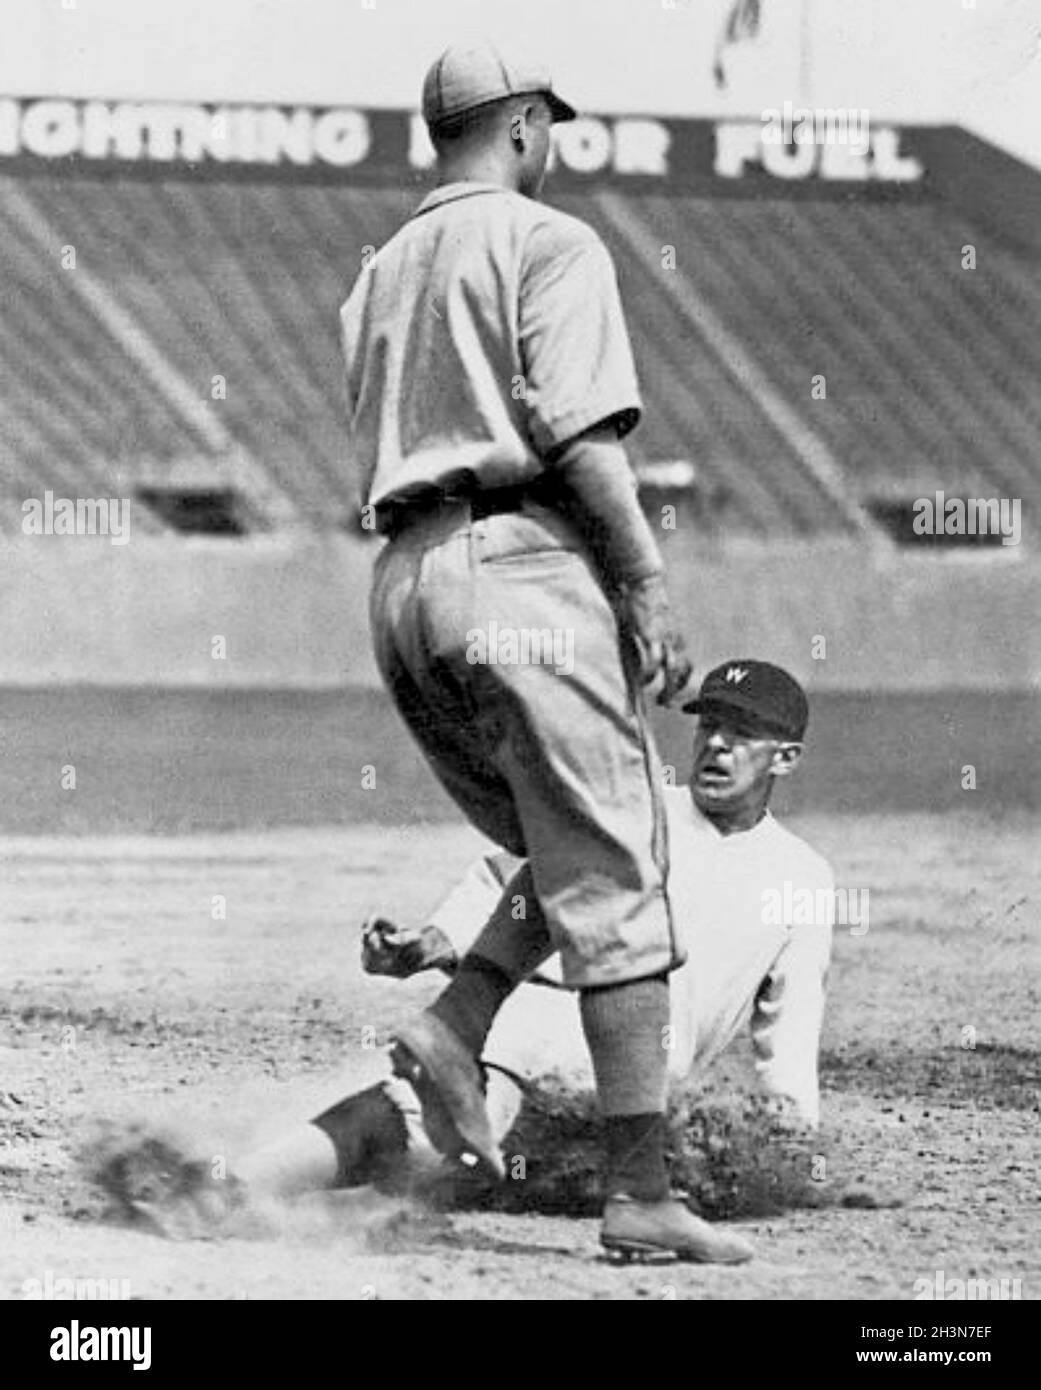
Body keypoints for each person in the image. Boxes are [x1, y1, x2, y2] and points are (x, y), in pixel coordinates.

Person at [338, 36, 739, 1261]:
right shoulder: (549, 242)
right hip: (515, 564)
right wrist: (646, 584)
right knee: (619, 866)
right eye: (548, 128)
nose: (552, 148)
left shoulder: (378, 271)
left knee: (556, 843)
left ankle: (459, 1019)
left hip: (403, 583)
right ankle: (640, 1194)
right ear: (519, 127)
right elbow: (577, 436)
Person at [114, 663, 834, 1264]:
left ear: (785, 758)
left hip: (630, 1093)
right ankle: (229, 1188)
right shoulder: (635, 813)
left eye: (739, 734)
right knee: (420, 1116)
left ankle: (276, 1191)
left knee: (451, 1161)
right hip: (549, 1017)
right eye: (707, 725)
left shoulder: (802, 880)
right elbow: (507, 884)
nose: (715, 745)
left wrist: (790, 1137)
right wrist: (436, 940)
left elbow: (788, 1029)